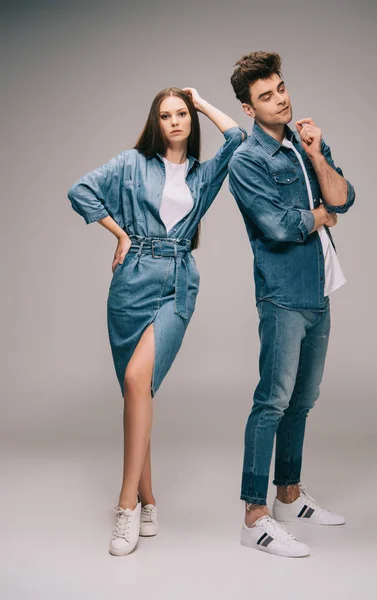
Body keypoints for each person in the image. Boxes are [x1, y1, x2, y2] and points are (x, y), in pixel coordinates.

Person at [67, 87, 246, 556]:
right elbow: (80, 190)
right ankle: (149, 499)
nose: (174, 121)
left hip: (177, 284)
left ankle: (125, 505)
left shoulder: (203, 175)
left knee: (135, 378)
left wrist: (203, 101)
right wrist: (120, 232)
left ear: (191, 120)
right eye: (166, 115)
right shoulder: (131, 163)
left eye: (182, 113)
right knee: (137, 391)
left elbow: (238, 138)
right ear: (156, 122)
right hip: (130, 283)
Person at [228, 52, 355, 558]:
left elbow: (344, 197)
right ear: (247, 107)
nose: (280, 98)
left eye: (281, 87)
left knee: (303, 401)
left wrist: (318, 153)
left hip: (318, 291)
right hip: (281, 295)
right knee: (272, 402)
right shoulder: (247, 160)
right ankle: (254, 517)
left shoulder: (303, 148)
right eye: (266, 95)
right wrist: (320, 216)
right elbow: (279, 227)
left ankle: (288, 495)